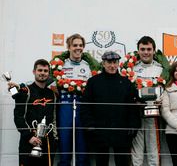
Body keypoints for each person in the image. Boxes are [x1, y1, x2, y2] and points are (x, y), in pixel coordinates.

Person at [80, 51, 141, 166]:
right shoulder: (93, 82)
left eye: (115, 62)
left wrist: (133, 125)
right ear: (103, 63)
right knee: (101, 162)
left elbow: (132, 108)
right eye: (109, 62)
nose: (112, 65)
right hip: (99, 130)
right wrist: (89, 125)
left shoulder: (126, 83)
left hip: (122, 131)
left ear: (118, 63)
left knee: (123, 163)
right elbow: (86, 106)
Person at [50, 33, 101, 166]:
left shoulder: (88, 65)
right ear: (69, 47)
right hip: (65, 105)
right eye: (74, 45)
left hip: (83, 106)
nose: (78, 48)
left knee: (82, 142)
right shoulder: (60, 64)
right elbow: (51, 84)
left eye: (80, 45)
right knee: (64, 140)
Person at [10, 59, 57, 166]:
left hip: (47, 143)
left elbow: (54, 119)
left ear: (48, 73)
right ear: (34, 72)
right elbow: (18, 117)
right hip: (28, 141)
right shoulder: (25, 91)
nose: (42, 73)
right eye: (40, 70)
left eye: (45, 71)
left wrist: (54, 139)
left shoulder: (52, 94)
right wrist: (29, 136)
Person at [131, 36, 169, 166]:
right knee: (136, 150)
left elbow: (166, 90)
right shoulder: (131, 69)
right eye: (142, 49)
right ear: (138, 51)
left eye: (149, 49)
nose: (146, 52)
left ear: (154, 50)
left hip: (154, 115)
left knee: (154, 149)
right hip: (136, 113)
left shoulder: (160, 69)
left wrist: (161, 100)